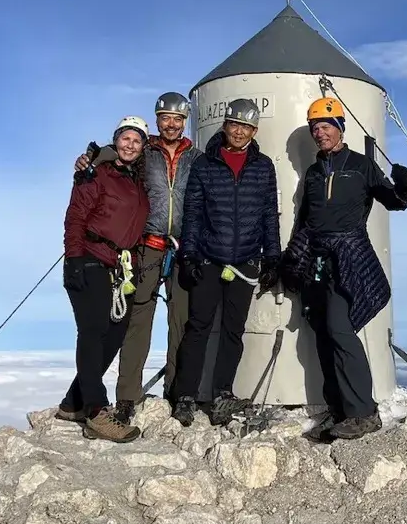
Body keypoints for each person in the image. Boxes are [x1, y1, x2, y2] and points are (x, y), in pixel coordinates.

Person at [281, 96, 407, 441]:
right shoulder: (313, 172)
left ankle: (363, 412)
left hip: (349, 256)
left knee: (340, 331)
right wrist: (291, 260)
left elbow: (394, 201)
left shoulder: (361, 165)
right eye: (315, 128)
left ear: (340, 128)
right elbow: (305, 220)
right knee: (323, 336)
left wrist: (404, 186)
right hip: (316, 258)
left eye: (325, 126)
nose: (319, 133)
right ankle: (340, 411)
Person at [72, 92, 202, 424]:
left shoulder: (197, 158)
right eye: (165, 118)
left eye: (178, 119)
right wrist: (92, 156)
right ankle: (128, 396)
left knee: (181, 320)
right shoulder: (147, 154)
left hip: (184, 247)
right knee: (136, 322)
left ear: (185, 121)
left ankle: (177, 392)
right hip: (146, 246)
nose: (171, 124)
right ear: (157, 119)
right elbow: (115, 156)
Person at [171, 98, 282, 426]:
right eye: (234, 124)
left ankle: (222, 394)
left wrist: (272, 257)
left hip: (246, 261)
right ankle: (186, 396)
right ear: (225, 125)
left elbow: (268, 216)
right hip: (208, 260)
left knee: (233, 331)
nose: (239, 131)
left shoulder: (263, 167)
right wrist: (188, 254)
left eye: (246, 127)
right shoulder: (205, 165)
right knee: (198, 329)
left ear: (254, 131)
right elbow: (192, 213)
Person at [56, 115, 151, 443]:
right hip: (90, 258)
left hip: (118, 267)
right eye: (126, 138)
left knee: (115, 333)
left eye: (137, 141)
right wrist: (74, 260)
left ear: (142, 148)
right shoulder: (97, 172)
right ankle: (96, 411)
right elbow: (76, 216)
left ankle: (73, 403)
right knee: (94, 330)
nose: (130, 144)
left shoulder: (135, 182)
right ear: (116, 140)